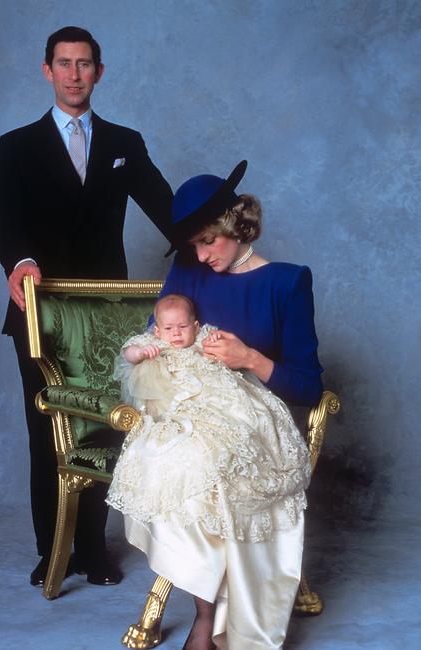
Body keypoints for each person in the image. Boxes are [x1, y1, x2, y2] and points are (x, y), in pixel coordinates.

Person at [0, 25, 173, 588]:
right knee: (47, 429)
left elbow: (168, 208)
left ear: (99, 71)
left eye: (84, 64)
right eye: (63, 64)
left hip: (106, 315)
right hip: (40, 310)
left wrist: (220, 235)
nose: (74, 74)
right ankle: (56, 549)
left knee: (104, 426)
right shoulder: (16, 145)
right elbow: (4, 217)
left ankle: (94, 548)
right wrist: (19, 261)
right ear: (48, 71)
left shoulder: (124, 142)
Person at [113, 161, 323, 649]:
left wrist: (249, 357)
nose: (202, 256)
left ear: (236, 226)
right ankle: (207, 613)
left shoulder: (287, 282)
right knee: (165, 460)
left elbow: (308, 388)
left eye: (209, 241)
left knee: (204, 465)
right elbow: (157, 339)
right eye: (194, 245)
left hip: (254, 419)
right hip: (190, 409)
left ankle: (214, 624)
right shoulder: (186, 271)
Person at [108, 293, 312, 647]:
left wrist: (220, 347)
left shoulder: (205, 339)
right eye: (168, 328)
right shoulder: (152, 343)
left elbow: (228, 358)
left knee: (240, 440)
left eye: (183, 327)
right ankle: (207, 612)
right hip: (178, 414)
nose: (175, 334)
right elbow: (128, 356)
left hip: (218, 406)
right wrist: (142, 354)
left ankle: (226, 610)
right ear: (157, 329)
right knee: (183, 465)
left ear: (196, 326)